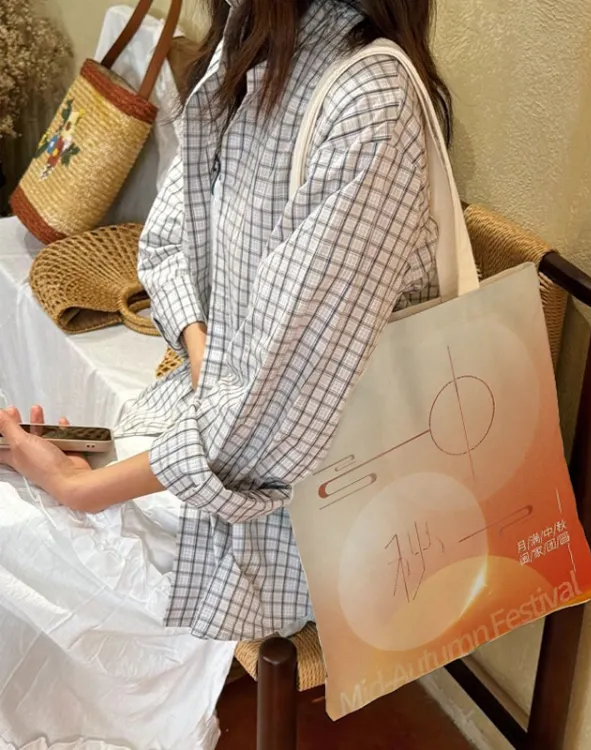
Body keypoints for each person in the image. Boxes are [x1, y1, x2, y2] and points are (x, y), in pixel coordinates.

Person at [0, 0, 451, 651]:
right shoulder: (253, 42)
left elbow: (272, 419)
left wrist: (81, 488)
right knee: (30, 507)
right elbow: (169, 243)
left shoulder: (368, 106)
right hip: (224, 431)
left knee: (29, 538)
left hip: (308, 518)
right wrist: (206, 361)